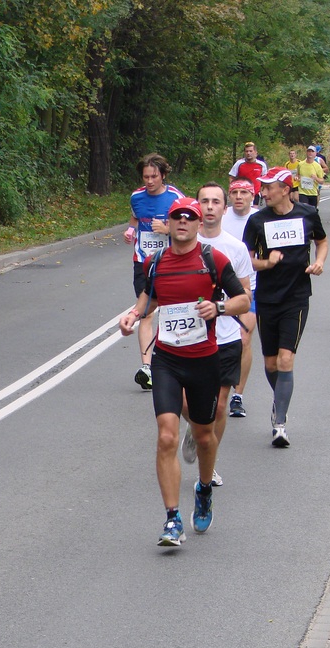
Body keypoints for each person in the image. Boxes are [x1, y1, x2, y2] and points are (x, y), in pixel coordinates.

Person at [118, 197, 249, 547]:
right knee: (166, 436)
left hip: (204, 359)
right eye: (177, 217)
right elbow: (149, 298)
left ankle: (204, 489)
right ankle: (173, 519)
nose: (183, 222)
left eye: (190, 218)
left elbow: (243, 300)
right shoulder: (156, 261)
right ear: (171, 222)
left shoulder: (213, 259)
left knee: (204, 436)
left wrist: (219, 307)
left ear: (197, 225)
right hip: (167, 360)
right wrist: (133, 315)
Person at [243, 167, 328, 448]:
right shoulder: (257, 221)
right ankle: (281, 399)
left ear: (285, 189)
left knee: (285, 359)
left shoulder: (307, 214)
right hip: (267, 297)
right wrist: (266, 263)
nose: (263, 192)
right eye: (263, 187)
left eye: (269, 188)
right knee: (270, 364)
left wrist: (319, 262)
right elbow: (246, 259)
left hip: (297, 297)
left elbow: (322, 241)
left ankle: (280, 424)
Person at [180, 183, 254, 486]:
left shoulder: (235, 248)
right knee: (187, 404)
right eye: (204, 201)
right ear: (197, 207)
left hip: (224, 337)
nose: (210, 207)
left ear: (225, 208)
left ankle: (208, 463)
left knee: (220, 406)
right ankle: (198, 427)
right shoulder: (181, 244)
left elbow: (246, 293)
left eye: (215, 202)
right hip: (186, 338)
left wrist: (222, 309)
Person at [123, 153, 185, 390]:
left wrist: (167, 230)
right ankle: (147, 368)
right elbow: (135, 218)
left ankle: (175, 361)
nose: (149, 181)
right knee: (146, 313)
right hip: (143, 262)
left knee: (172, 311)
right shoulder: (136, 197)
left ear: (163, 175)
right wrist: (131, 230)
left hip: (170, 262)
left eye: (154, 177)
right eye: (146, 177)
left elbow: (189, 228)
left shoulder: (175, 198)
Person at [222, 179, 258, 418]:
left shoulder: (259, 218)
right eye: (234, 192)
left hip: (250, 288)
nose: (238, 197)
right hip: (219, 289)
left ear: (252, 196)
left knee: (244, 339)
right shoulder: (221, 216)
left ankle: (238, 395)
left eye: (244, 192)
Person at [229, 142, 268, 206]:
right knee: (242, 210)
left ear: (255, 152)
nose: (248, 153)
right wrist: (232, 188)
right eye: (246, 151)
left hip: (255, 193)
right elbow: (232, 177)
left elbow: (264, 180)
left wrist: (263, 190)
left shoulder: (261, 165)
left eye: (250, 151)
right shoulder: (239, 163)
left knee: (254, 211)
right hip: (242, 193)